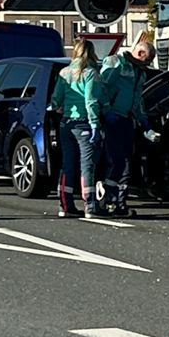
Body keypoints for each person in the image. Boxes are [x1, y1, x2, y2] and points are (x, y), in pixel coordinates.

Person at [89, 44, 147, 217]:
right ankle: (112, 200)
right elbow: (102, 88)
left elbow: (137, 98)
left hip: (126, 119)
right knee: (116, 161)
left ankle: (118, 201)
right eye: (148, 59)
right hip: (113, 119)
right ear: (140, 53)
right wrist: (107, 111)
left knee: (125, 162)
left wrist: (142, 119)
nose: (148, 63)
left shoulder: (139, 72)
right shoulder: (116, 64)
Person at [48, 39, 98, 218]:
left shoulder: (64, 72)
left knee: (67, 164)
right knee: (87, 164)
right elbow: (90, 100)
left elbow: (55, 100)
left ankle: (65, 204)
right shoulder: (90, 73)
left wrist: (59, 109)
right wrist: (95, 124)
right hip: (84, 123)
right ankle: (90, 204)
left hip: (66, 123)